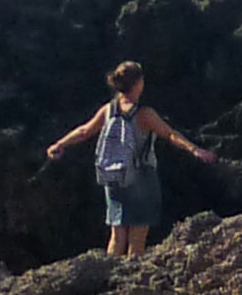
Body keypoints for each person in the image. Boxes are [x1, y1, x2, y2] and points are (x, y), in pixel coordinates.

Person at [47, 60, 214, 255]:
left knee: (117, 235)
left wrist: (60, 144)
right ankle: (131, 273)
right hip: (141, 177)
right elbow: (170, 134)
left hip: (113, 175)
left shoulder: (108, 110)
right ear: (138, 83)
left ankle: (110, 271)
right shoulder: (144, 114)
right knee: (137, 236)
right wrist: (195, 150)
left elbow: (84, 131)